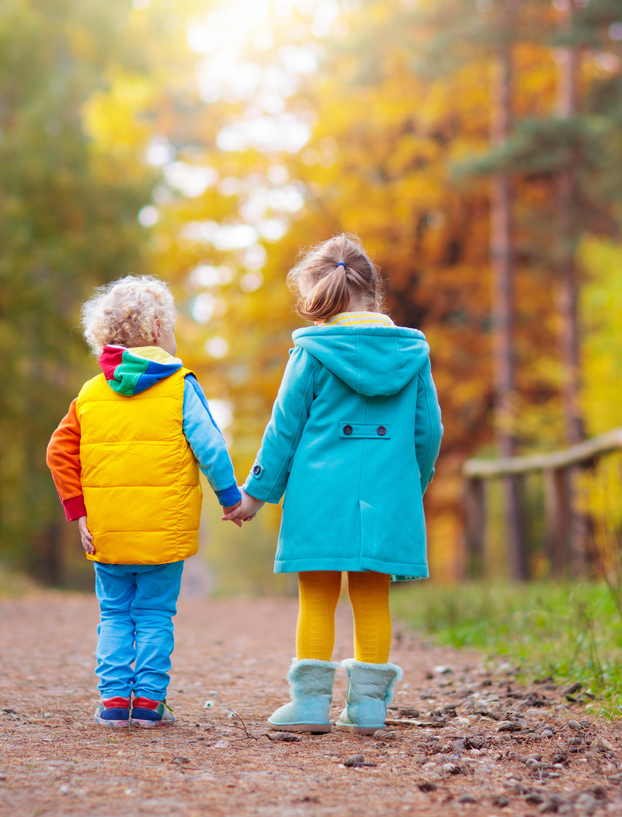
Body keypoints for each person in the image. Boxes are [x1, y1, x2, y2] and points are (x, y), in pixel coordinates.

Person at [225, 234, 443, 735]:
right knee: (372, 596)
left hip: (317, 497)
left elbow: (284, 428)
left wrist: (254, 494)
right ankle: (367, 710)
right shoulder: (412, 354)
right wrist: (414, 482)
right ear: (373, 291)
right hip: (389, 494)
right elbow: (428, 431)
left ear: (321, 296)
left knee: (318, 596)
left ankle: (308, 707)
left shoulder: (312, 353)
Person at [47, 275, 242, 729]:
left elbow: (59, 451)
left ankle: (114, 702)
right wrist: (231, 499)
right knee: (154, 615)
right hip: (163, 533)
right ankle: (149, 703)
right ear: (156, 331)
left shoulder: (91, 394)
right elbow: (210, 447)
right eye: (171, 327)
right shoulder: (179, 386)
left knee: (114, 613)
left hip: (108, 531)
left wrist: (78, 513)